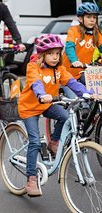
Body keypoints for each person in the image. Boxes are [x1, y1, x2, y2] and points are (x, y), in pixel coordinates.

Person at [18, 34, 92, 197]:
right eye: (51, 53)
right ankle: (31, 179)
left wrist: (89, 93)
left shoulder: (59, 69)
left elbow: (72, 83)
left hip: (47, 104)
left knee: (65, 117)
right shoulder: (33, 67)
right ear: (43, 55)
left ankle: (53, 141)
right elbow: (35, 82)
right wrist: (41, 94)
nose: (55, 57)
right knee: (35, 142)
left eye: (58, 53)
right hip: (30, 107)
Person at [62, 2, 102, 85]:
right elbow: (70, 47)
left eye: (94, 17)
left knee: (95, 94)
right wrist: (74, 60)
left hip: (84, 72)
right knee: (74, 97)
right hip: (67, 73)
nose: (92, 20)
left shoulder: (96, 33)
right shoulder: (74, 30)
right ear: (80, 19)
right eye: (88, 17)